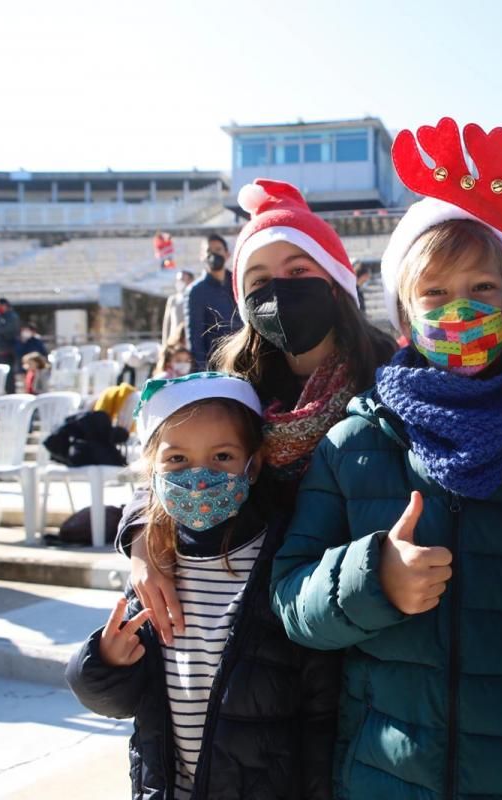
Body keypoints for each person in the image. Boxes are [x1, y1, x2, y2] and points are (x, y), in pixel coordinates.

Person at [269, 199, 502, 800]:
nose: (462, 308)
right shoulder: (355, 442)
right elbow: (290, 599)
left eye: (482, 286)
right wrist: (374, 581)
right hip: (383, 777)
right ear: (405, 313)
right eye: (436, 293)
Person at [117, 179, 396, 649]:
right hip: (256, 625)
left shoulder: (387, 376)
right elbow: (168, 463)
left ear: (334, 280)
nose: (279, 291)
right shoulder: (234, 382)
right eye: (261, 280)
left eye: (298, 269)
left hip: (365, 616)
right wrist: (143, 538)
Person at [66, 373, 339, 800]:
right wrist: (105, 663)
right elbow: (123, 702)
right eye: (177, 460)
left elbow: (320, 703)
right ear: (150, 472)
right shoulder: (154, 564)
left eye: (222, 457)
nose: (199, 476)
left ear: (254, 464)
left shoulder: (280, 556)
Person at [184, 234, 241, 370]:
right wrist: (203, 370)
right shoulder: (196, 291)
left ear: (227, 254)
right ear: (202, 256)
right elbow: (194, 335)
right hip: (216, 364)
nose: (214, 255)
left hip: (242, 357)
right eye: (209, 251)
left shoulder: (238, 282)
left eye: (218, 250)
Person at [162, 270, 194, 347]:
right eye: (178, 280)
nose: (179, 282)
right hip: (174, 341)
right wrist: (165, 344)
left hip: (190, 340)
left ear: (190, 281)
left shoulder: (196, 298)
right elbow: (167, 323)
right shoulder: (173, 299)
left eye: (182, 279)